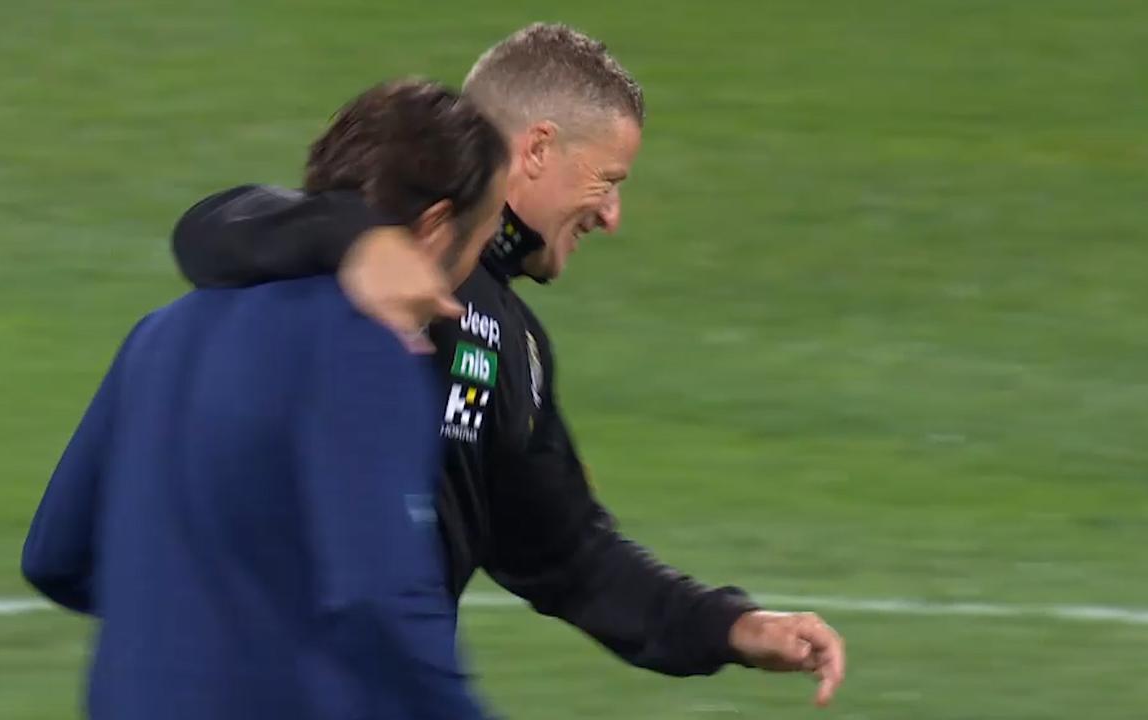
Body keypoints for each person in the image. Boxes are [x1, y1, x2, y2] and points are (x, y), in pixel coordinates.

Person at [172, 24, 846, 706]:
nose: (612, 215)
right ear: (539, 148)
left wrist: (729, 626)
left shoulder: (514, 349)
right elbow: (217, 228)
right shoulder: (372, 257)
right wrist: (360, 244)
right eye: (607, 181)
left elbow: (567, 554)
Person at [20, 79, 509, 720]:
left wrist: (188, 628)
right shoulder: (366, 352)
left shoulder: (159, 335)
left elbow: (55, 555)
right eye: (484, 235)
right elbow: (379, 601)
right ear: (437, 227)